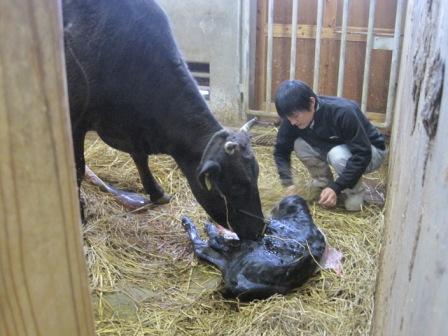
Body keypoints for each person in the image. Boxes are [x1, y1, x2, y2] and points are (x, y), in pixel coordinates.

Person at [273, 80, 387, 211]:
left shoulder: (343, 112)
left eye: (295, 116)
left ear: (311, 103)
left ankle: (354, 191)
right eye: (288, 117)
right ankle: (323, 183)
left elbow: (362, 154)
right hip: (333, 147)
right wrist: (288, 183)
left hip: (371, 151)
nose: (292, 122)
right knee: (299, 143)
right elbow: (281, 151)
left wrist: (336, 187)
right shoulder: (293, 120)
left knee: (337, 155)